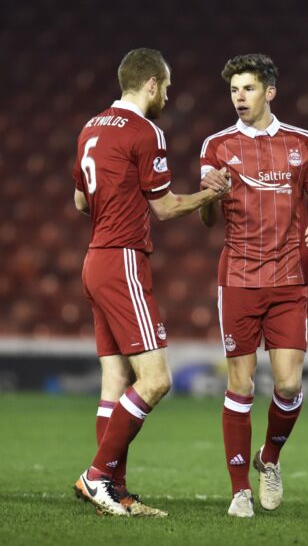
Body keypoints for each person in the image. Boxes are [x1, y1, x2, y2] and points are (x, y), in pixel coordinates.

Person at [71, 48, 229, 517]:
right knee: (156, 380)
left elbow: (81, 202)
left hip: (95, 259)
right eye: (168, 86)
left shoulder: (90, 128)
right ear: (153, 85)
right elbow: (162, 207)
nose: (169, 95)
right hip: (122, 260)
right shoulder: (146, 130)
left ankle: (113, 492)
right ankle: (97, 476)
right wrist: (211, 193)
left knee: (116, 379)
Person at [199, 53, 308, 517]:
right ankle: (240, 490)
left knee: (289, 385)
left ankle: (269, 459)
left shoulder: (302, 142)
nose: (239, 96)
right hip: (238, 278)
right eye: (234, 89)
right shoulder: (216, 145)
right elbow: (204, 217)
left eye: (248, 88)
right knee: (240, 385)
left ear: (270, 92)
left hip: (290, 279)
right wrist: (209, 196)